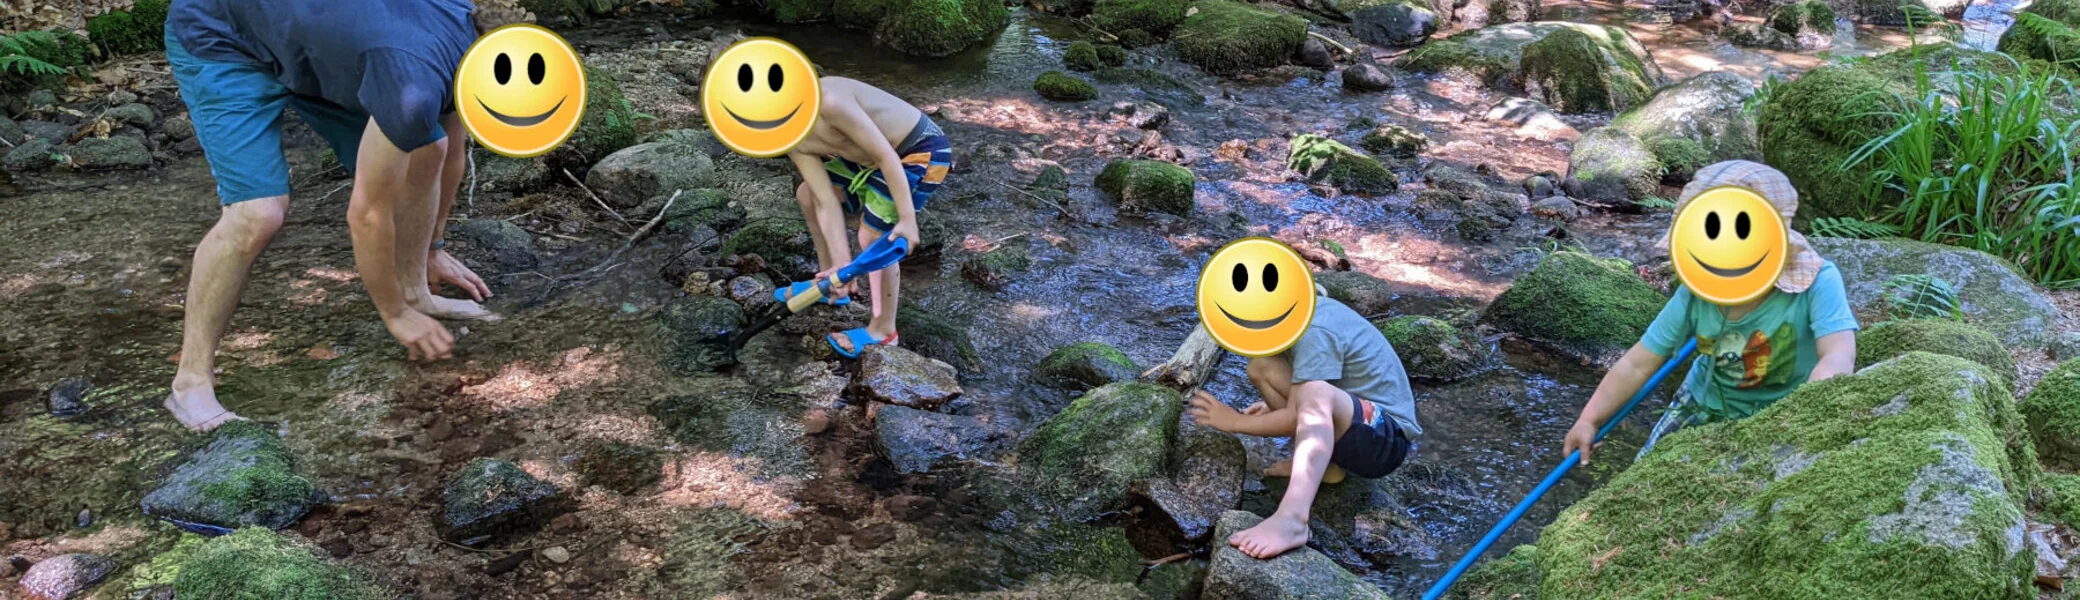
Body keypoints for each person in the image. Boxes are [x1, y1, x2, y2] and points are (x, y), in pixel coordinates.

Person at [161, 0, 524, 430]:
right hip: (223, 36)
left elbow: (450, 149)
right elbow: (366, 215)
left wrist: (433, 248)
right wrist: (394, 315)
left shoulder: (474, 48)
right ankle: (189, 384)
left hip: (311, 50)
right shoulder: (416, 84)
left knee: (428, 147)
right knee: (257, 214)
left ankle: (416, 290)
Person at [1563, 161, 1861, 465]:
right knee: (1646, 473)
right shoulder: (1696, 293)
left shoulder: (1817, 282)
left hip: (1781, 412)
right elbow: (1636, 364)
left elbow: (1837, 355)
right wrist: (1589, 419)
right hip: (1702, 402)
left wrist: (1806, 409)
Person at [1187, 295, 1420, 559]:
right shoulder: (1293, 315)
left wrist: (1235, 421)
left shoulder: (1314, 330)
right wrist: (1278, 405)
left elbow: (1299, 411)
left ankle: (1293, 519)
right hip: (1354, 425)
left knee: (1315, 391)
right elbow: (1305, 395)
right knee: (1262, 367)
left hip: (1386, 439)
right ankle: (1325, 467)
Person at [781, 76, 952, 358]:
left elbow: (886, 156)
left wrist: (907, 220)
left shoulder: (828, 101)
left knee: (873, 236)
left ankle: (884, 330)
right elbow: (825, 200)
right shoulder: (786, 136)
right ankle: (830, 286)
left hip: (916, 150)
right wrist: (841, 267)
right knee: (807, 194)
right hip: (865, 159)